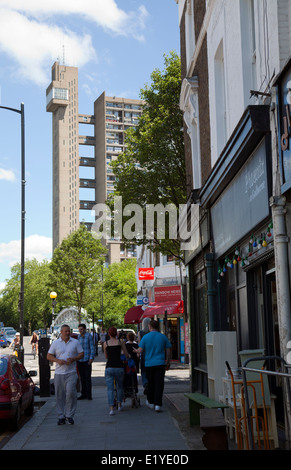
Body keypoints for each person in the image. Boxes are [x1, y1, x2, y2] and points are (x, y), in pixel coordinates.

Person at [47, 324, 84, 425]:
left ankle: (69, 415)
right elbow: (49, 356)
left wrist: (74, 359)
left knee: (71, 393)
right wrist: (57, 360)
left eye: (69, 331)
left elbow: (81, 353)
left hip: (71, 372)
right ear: (61, 332)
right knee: (59, 395)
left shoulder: (75, 342)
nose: (67, 333)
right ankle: (61, 416)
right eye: (65, 331)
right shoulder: (55, 343)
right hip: (59, 373)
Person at [134, 319, 171, 412]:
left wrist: (135, 351)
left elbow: (140, 350)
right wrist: (168, 361)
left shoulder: (146, 337)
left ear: (150, 326)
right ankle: (158, 404)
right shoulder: (163, 337)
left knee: (151, 383)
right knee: (159, 384)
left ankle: (150, 402)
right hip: (160, 363)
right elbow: (168, 349)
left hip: (149, 364)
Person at [104, 326, 130, 415]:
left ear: (108, 334)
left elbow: (106, 356)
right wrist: (129, 356)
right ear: (117, 334)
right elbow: (126, 354)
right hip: (119, 366)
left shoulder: (105, 343)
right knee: (119, 387)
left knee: (110, 389)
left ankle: (111, 408)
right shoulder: (120, 342)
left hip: (109, 367)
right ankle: (119, 405)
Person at [77, 324, 95, 400]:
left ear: (84, 329)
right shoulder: (78, 337)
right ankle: (83, 393)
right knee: (82, 377)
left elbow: (92, 347)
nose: (80, 331)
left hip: (87, 359)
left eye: (81, 329)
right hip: (80, 359)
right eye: (79, 329)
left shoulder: (89, 336)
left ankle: (89, 394)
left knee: (88, 377)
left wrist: (91, 358)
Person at [137, 317, 151, 394]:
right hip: (151, 353)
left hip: (143, 353)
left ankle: (145, 383)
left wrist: (138, 353)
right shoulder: (151, 332)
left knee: (143, 370)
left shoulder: (140, 332)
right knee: (150, 370)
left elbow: (139, 344)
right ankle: (150, 383)